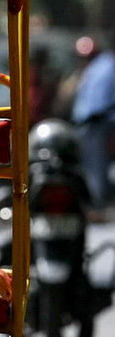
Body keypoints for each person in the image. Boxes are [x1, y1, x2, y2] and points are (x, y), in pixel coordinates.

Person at [70, 35, 115, 219]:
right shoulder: (88, 70)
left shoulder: (107, 65)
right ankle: (91, 204)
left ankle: (98, 206)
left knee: (97, 167)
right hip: (85, 125)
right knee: (86, 167)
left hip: (99, 123)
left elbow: (102, 99)